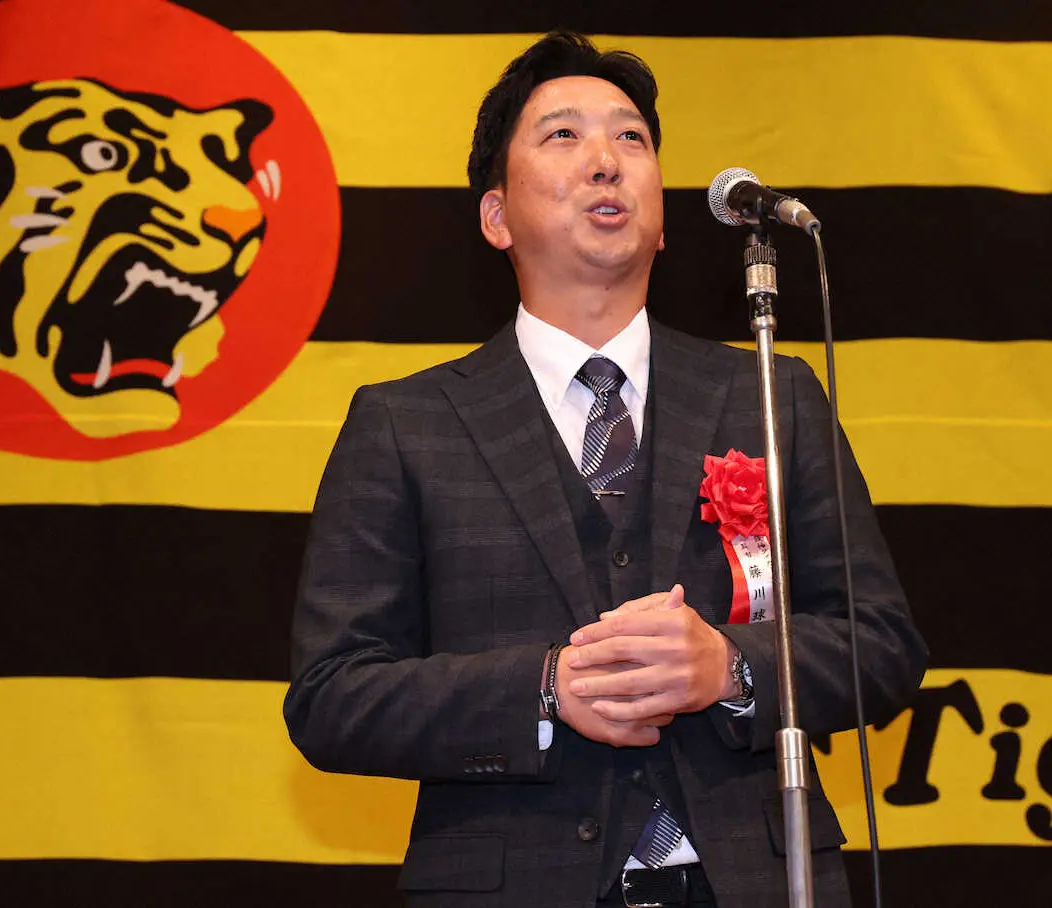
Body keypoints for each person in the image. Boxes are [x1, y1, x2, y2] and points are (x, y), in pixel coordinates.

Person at [283, 31, 926, 908]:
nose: (606, 161)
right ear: (496, 216)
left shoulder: (772, 394)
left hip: (754, 884)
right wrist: (546, 688)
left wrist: (730, 667)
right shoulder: (405, 423)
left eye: (632, 138)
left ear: (662, 219)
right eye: (563, 135)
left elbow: (881, 646)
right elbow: (332, 697)